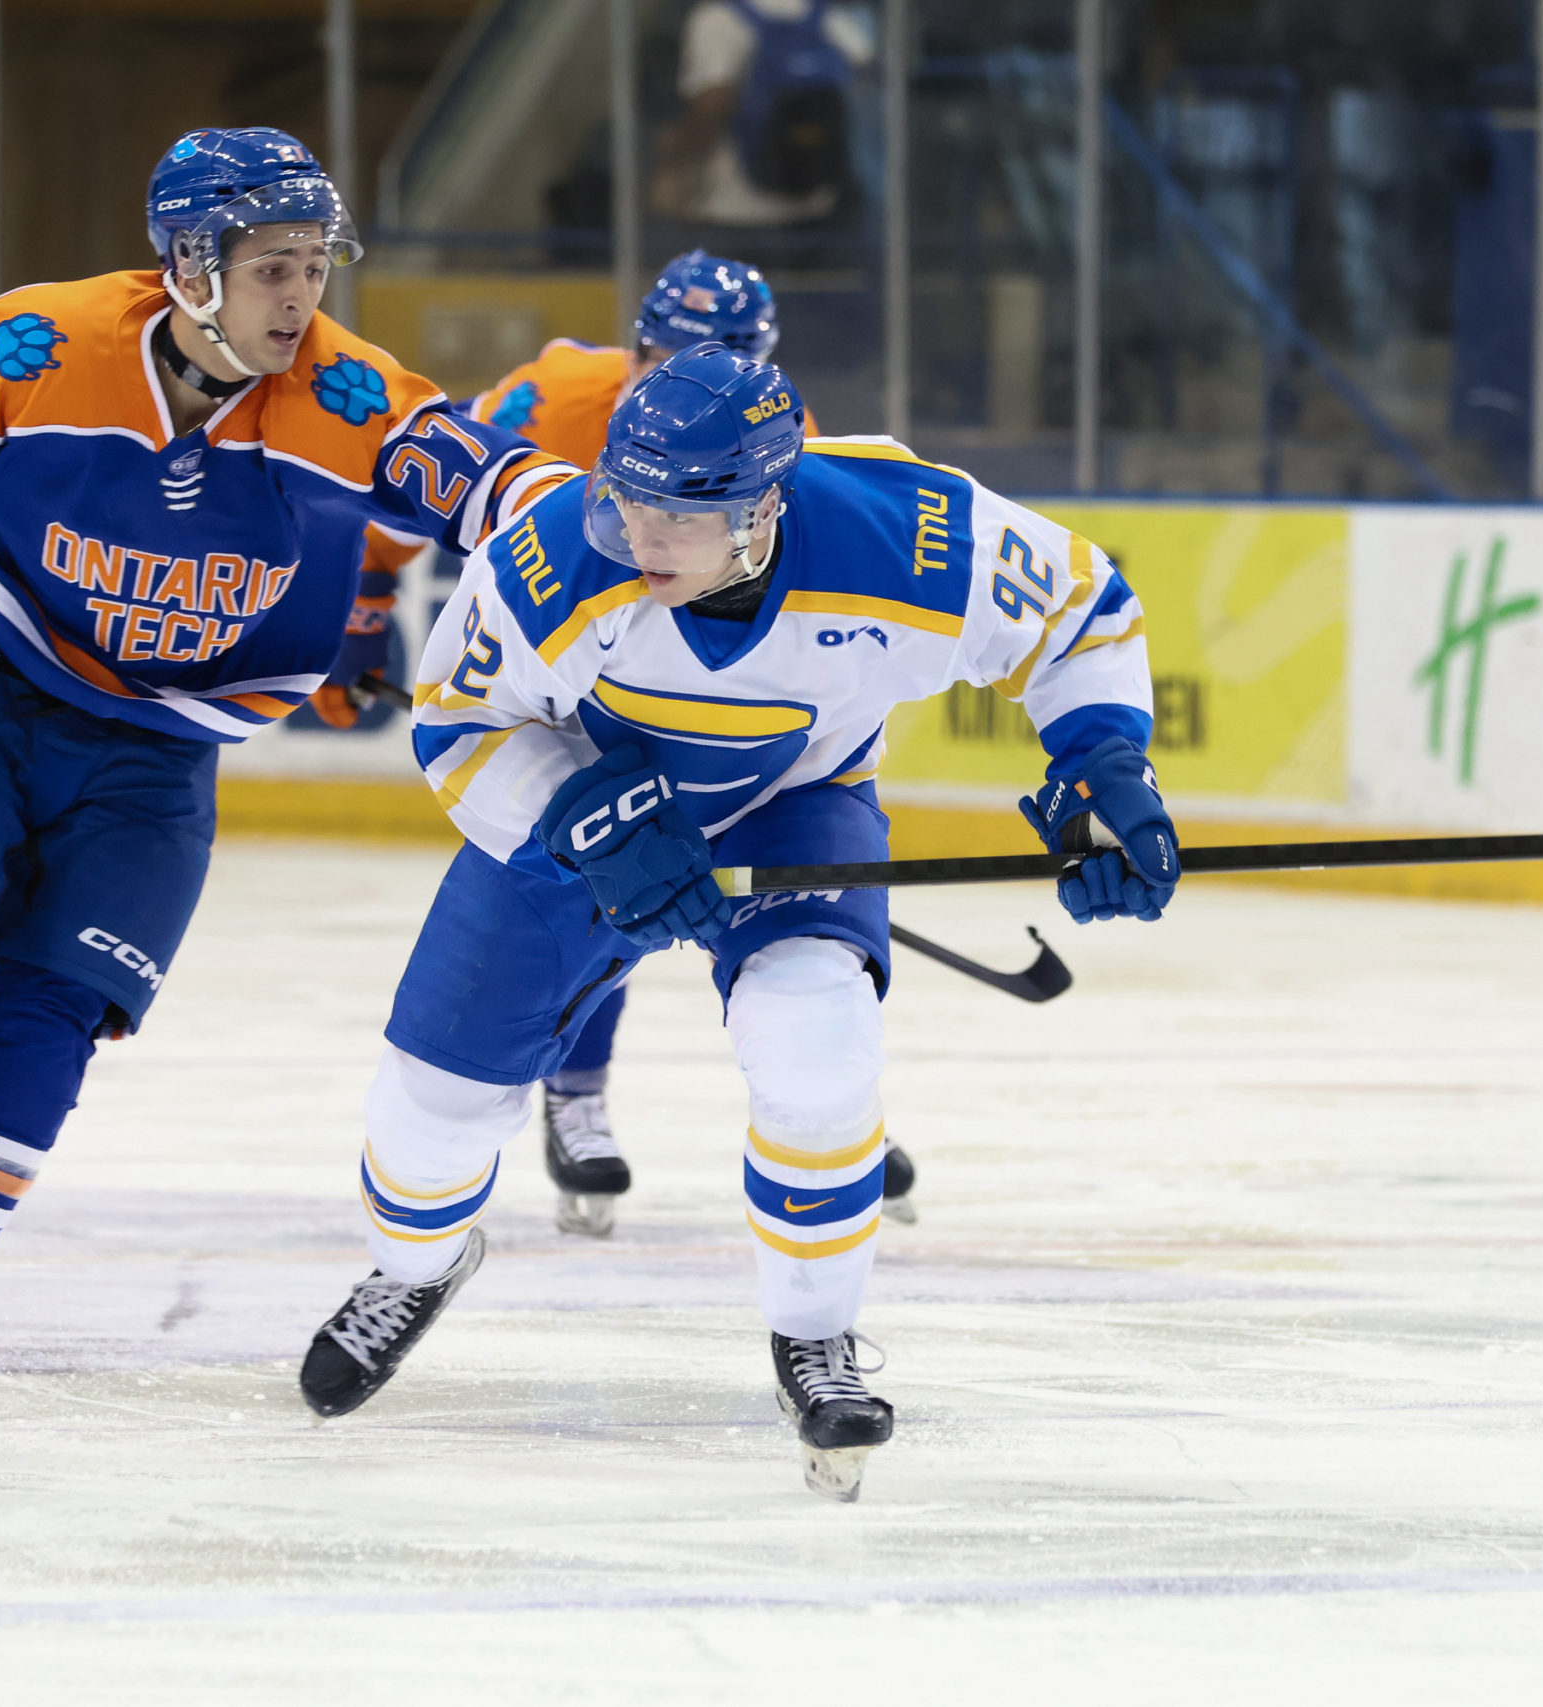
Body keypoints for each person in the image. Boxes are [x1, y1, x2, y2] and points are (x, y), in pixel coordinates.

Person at [0, 127, 568, 1465]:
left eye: (316, 266)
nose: (299, 298)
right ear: (190, 264)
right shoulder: (41, 346)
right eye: (271, 267)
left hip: (158, 763)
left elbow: (517, 495)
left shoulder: (353, 396)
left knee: (37, 1047)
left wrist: (630, 601)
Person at [296, 346, 1178, 1501]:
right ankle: (413, 1265)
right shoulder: (551, 555)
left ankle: (814, 1334)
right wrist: (578, 814)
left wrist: (1103, 763)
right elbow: (456, 724)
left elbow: (1081, 613)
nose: (640, 536)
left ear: (764, 505)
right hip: (583, 808)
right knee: (431, 1109)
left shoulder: (908, 533)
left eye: (679, 513)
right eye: (628, 495)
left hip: (796, 807)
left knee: (817, 1054)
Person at [462, 249, 930, 1239]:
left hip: (698, 705)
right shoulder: (554, 393)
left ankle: (822, 1114)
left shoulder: (772, 436)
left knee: (796, 934)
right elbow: (451, 488)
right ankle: (575, 1093)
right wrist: (379, 596)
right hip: (568, 686)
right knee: (599, 883)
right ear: (637, 345)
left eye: (725, 353)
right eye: (673, 351)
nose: (693, 373)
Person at [652, 0, 872, 232]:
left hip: (735, 210)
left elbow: (712, 101)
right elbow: (866, 89)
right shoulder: (831, 18)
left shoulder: (717, 20)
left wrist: (677, 162)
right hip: (819, 204)